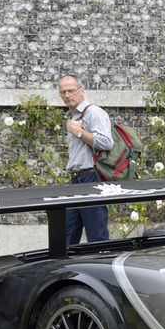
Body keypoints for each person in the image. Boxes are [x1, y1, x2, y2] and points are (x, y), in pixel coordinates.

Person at [58, 73, 113, 244]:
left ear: (81, 90)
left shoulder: (93, 113)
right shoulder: (72, 117)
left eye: (71, 91)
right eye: (63, 92)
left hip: (91, 180)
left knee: (97, 238)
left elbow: (106, 142)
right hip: (76, 181)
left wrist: (79, 132)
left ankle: (104, 270)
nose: (67, 95)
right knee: (65, 239)